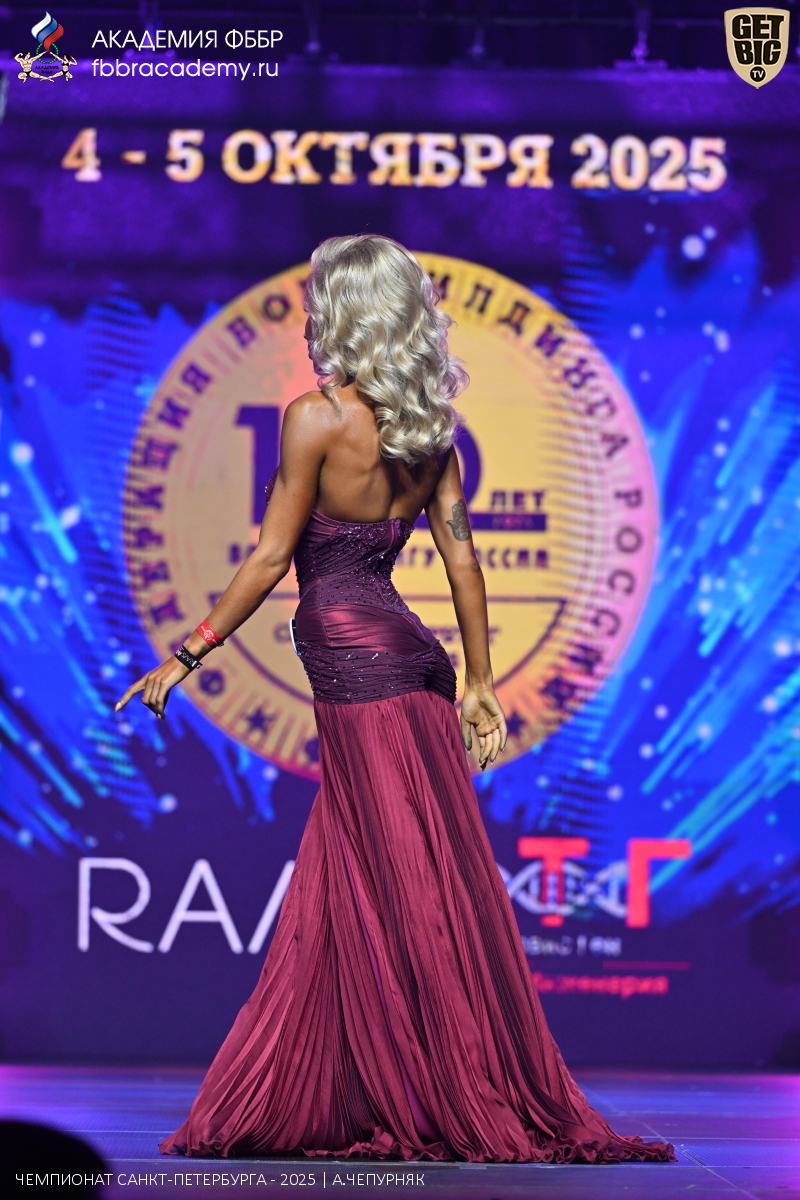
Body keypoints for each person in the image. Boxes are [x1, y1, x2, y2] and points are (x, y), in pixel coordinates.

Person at [116, 234, 674, 1165]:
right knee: (374, 868)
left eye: (318, 300)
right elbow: (464, 561)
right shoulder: (431, 434)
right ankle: (380, 1079)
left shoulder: (314, 418)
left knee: (401, 882)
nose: (308, 315)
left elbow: (272, 557)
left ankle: (442, 1090)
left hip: (349, 657)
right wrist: (480, 685)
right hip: (416, 661)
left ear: (344, 314)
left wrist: (188, 653)